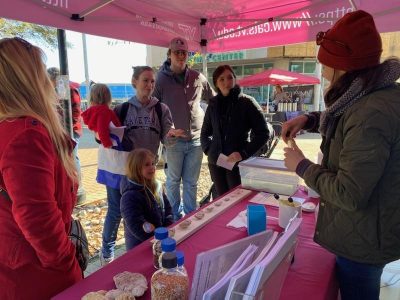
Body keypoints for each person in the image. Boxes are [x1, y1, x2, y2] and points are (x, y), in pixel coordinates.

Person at [281, 10, 400, 300]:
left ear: (344, 68)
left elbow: (349, 192)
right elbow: (347, 122)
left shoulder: (371, 113)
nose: (323, 74)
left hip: (365, 238)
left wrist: (302, 166)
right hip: (373, 226)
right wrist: (309, 119)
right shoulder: (375, 95)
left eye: (326, 66)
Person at [0, 37, 82, 299]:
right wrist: (66, 263)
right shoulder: (26, 133)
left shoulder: (10, 126)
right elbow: (37, 217)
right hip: (35, 273)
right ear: (29, 78)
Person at [99, 66, 178, 264]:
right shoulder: (122, 109)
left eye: (152, 81)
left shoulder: (161, 109)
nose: (150, 85)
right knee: (117, 211)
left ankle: (149, 247)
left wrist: (171, 137)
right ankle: (107, 252)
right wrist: (100, 135)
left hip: (149, 171)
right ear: (134, 82)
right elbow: (106, 136)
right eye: (145, 80)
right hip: (125, 171)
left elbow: (167, 139)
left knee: (150, 207)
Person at [153, 37, 215, 221]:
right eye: (176, 52)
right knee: (172, 181)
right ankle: (173, 217)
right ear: (169, 54)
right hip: (173, 142)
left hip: (196, 140)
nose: (180, 56)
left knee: (191, 183)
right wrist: (165, 132)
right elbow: (154, 109)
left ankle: (190, 216)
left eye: (184, 52)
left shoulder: (197, 77)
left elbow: (213, 100)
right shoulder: (160, 80)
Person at [201, 65, 269, 197]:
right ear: (216, 83)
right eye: (221, 79)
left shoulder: (247, 103)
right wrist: (209, 150)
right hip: (216, 162)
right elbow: (205, 133)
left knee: (237, 199)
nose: (226, 82)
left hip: (237, 163)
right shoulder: (213, 104)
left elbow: (263, 133)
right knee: (221, 199)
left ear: (235, 79)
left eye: (229, 77)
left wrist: (243, 153)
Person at [120, 148, 173, 250]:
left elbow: (167, 206)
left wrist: (168, 225)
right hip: (141, 246)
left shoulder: (156, 185)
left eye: (153, 163)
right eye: (147, 165)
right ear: (135, 168)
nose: (152, 168)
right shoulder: (129, 196)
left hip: (159, 240)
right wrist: (157, 239)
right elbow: (137, 225)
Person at [47, 67, 86, 203]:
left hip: (71, 131)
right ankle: (69, 187)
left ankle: (78, 189)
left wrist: (67, 128)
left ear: (55, 79)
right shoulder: (57, 90)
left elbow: (75, 112)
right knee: (65, 158)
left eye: (50, 81)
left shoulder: (69, 90)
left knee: (73, 158)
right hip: (62, 130)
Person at [81, 83, 121, 148]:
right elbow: (102, 129)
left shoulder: (94, 111)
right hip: (111, 142)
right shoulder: (103, 111)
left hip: (102, 142)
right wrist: (108, 144)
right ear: (108, 97)